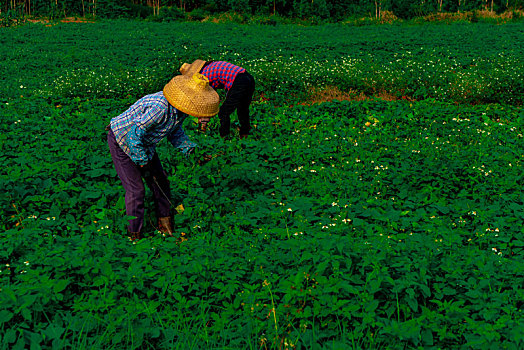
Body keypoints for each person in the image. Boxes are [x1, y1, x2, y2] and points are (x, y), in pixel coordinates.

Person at [107, 73, 219, 241]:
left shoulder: (181, 111)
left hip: (144, 143)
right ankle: (134, 235)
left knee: (161, 182)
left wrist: (192, 151)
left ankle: (165, 225)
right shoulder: (160, 107)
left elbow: (175, 134)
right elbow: (133, 135)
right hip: (121, 140)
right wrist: (142, 162)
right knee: (136, 190)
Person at [180, 59, 255, 138]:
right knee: (243, 109)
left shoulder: (203, 76)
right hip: (248, 78)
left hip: (239, 81)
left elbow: (207, 99)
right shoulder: (211, 66)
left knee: (223, 112)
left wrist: (203, 119)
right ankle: (245, 134)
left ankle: (224, 137)